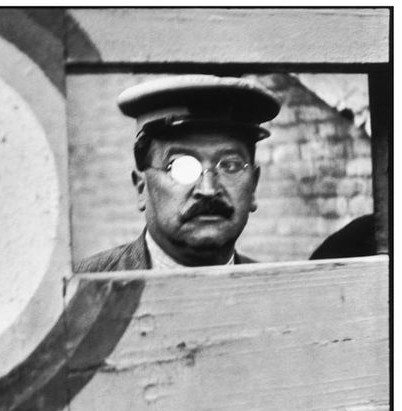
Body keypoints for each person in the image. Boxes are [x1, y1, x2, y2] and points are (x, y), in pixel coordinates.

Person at [75, 75, 281, 272]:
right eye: (181, 168)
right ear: (141, 188)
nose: (208, 190)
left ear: (253, 187)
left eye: (230, 165)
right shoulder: (80, 288)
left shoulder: (280, 293)